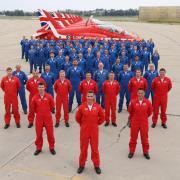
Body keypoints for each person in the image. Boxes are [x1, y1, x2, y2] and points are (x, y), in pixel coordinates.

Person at [76, 91, 105, 174]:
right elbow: (77, 118)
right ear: (86, 97)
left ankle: (96, 165)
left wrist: (96, 124)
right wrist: (83, 125)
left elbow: (102, 118)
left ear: (93, 97)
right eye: (88, 96)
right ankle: (81, 165)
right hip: (84, 131)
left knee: (95, 149)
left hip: (94, 131)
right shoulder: (81, 107)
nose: (89, 97)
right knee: (83, 149)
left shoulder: (97, 107)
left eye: (91, 96)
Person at [31, 83, 56, 156]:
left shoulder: (49, 96)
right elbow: (33, 108)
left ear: (44, 88)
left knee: (50, 133)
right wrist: (39, 112)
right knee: (38, 134)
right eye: (39, 87)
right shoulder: (35, 97)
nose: (41, 88)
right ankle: (39, 148)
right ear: (37, 88)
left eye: (42, 87)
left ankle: (51, 147)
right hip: (39, 118)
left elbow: (52, 106)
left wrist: (47, 112)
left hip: (48, 117)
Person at [128, 88, 152, 159]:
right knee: (133, 138)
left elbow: (150, 112)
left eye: (142, 93)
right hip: (135, 122)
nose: (140, 94)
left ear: (144, 94)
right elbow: (130, 111)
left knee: (145, 138)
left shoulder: (147, 102)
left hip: (144, 123)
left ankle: (146, 152)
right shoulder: (133, 102)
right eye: (139, 93)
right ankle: (131, 151)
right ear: (137, 93)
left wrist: (144, 117)